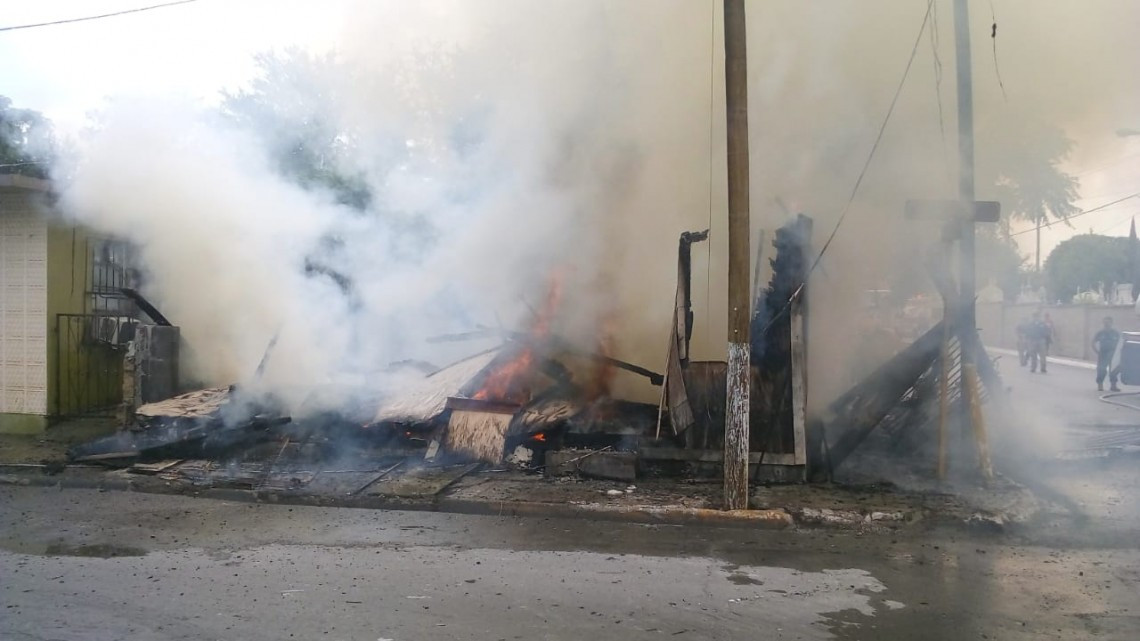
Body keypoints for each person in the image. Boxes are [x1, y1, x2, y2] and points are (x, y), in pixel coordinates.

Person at [1092, 316, 1122, 392]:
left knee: (1114, 370)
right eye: (1105, 322)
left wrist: (1119, 353)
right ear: (1103, 323)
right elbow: (1093, 342)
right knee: (1101, 369)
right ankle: (1100, 385)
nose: (1106, 323)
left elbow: (1120, 343)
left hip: (1113, 354)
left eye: (1108, 322)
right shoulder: (1100, 333)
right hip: (1103, 354)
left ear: (1111, 323)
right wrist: (1097, 351)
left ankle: (1113, 386)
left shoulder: (1115, 333)